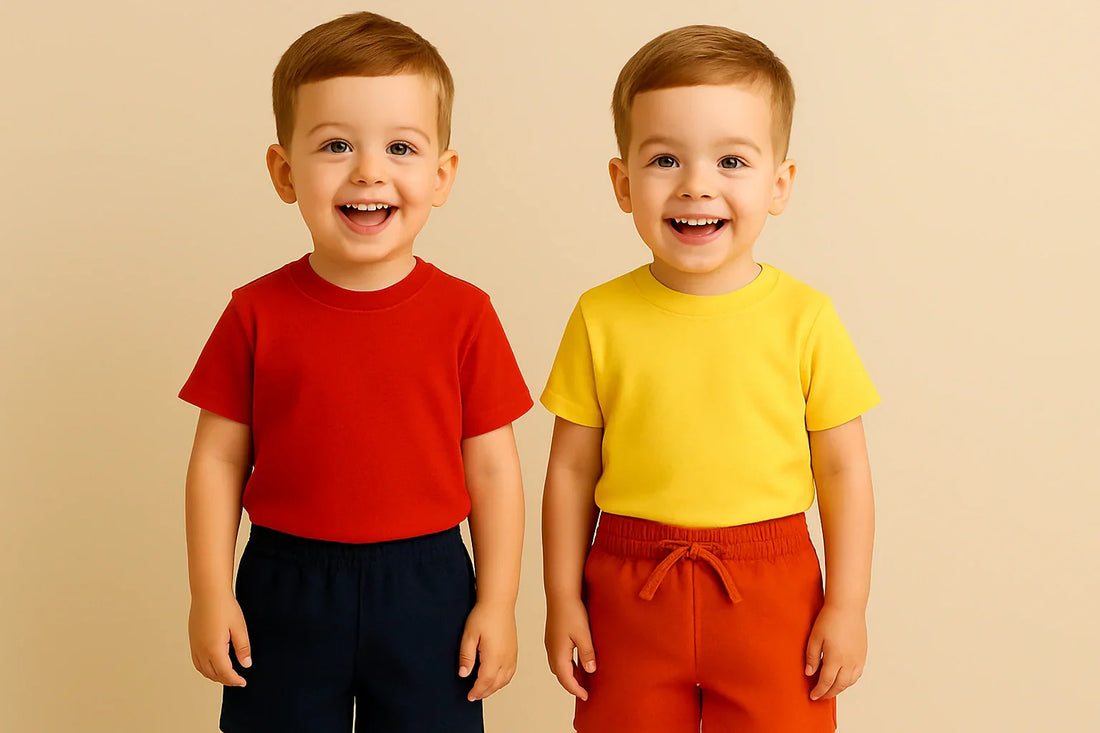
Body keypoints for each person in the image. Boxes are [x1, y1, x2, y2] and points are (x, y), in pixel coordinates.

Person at [179, 12, 531, 732]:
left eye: (400, 147)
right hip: (286, 582)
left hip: (429, 584)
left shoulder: (466, 314)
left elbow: (494, 472)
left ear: (441, 176)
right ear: (284, 172)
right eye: (336, 145)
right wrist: (210, 592)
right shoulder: (254, 312)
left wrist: (497, 602)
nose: (369, 170)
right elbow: (216, 460)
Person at [541, 24, 880, 732]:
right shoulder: (599, 315)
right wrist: (562, 597)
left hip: (773, 587)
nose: (697, 185)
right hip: (630, 587)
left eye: (731, 160)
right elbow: (571, 471)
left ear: (779, 184)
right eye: (665, 158)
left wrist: (847, 605)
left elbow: (843, 470)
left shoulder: (806, 318)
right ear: (622, 183)